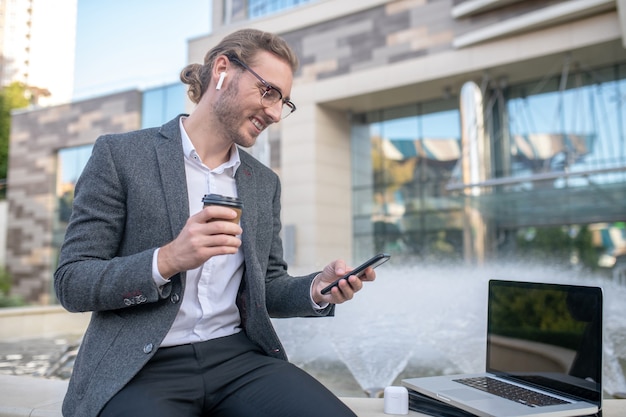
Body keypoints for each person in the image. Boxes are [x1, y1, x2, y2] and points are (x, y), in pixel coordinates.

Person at [54, 28, 376, 417]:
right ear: (222, 69)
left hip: (238, 360)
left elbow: (268, 286)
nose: (275, 113)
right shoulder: (120, 156)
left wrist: (317, 289)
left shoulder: (263, 183)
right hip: (141, 366)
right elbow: (72, 282)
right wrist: (168, 259)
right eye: (268, 91)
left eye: (283, 102)